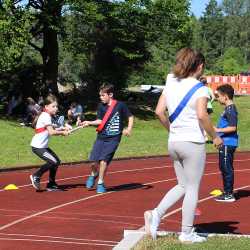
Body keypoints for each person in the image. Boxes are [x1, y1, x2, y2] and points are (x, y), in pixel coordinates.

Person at [144, 48, 223, 243]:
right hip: (193, 142)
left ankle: (156, 214)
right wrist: (215, 136)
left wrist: (172, 130)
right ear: (200, 66)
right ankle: (186, 233)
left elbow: (159, 111)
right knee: (193, 187)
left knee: (182, 184)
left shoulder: (171, 80)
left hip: (174, 141)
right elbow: (202, 115)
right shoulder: (201, 89)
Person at [80, 84, 134, 194]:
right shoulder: (101, 106)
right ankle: (93, 174)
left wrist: (129, 129)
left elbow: (130, 116)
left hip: (114, 139)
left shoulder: (120, 105)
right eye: (100, 95)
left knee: (104, 160)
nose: (101, 97)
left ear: (110, 95)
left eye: (103, 95)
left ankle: (100, 182)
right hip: (101, 137)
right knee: (93, 162)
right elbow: (100, 120)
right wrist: (89, 122)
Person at [30, 94, 70, 192]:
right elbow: (51, 132)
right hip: (38, 147)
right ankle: (36, 175)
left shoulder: (47, 115)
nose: (56, 108)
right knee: (54, 162)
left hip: (42, 146)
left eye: (56, 106)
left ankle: (51, 184)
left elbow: (52, 127)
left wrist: (63, 128)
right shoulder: (46, 116)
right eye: (53, 106)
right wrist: (63, 133)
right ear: (46, 107)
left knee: (57, 162)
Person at [213, 84, 238, 202]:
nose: (217, 98)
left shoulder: (231, 109)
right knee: (223, 167)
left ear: (225, 96)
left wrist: (218, 130)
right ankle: (227, 191)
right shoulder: (227, 109)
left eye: (218, 96)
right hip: (225, 142)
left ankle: (229, 194)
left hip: (228, 143)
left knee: (226, 168)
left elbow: (233, 128)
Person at [200, 77, 215, 142]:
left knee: (201, 122)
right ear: (206, 83)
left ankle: (204, 137)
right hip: (209, 107)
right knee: (209, 123)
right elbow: (213, 97)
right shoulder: (209, 89)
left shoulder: (200, 89)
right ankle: (213, 136)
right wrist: (210, 102)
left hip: (203, 107)